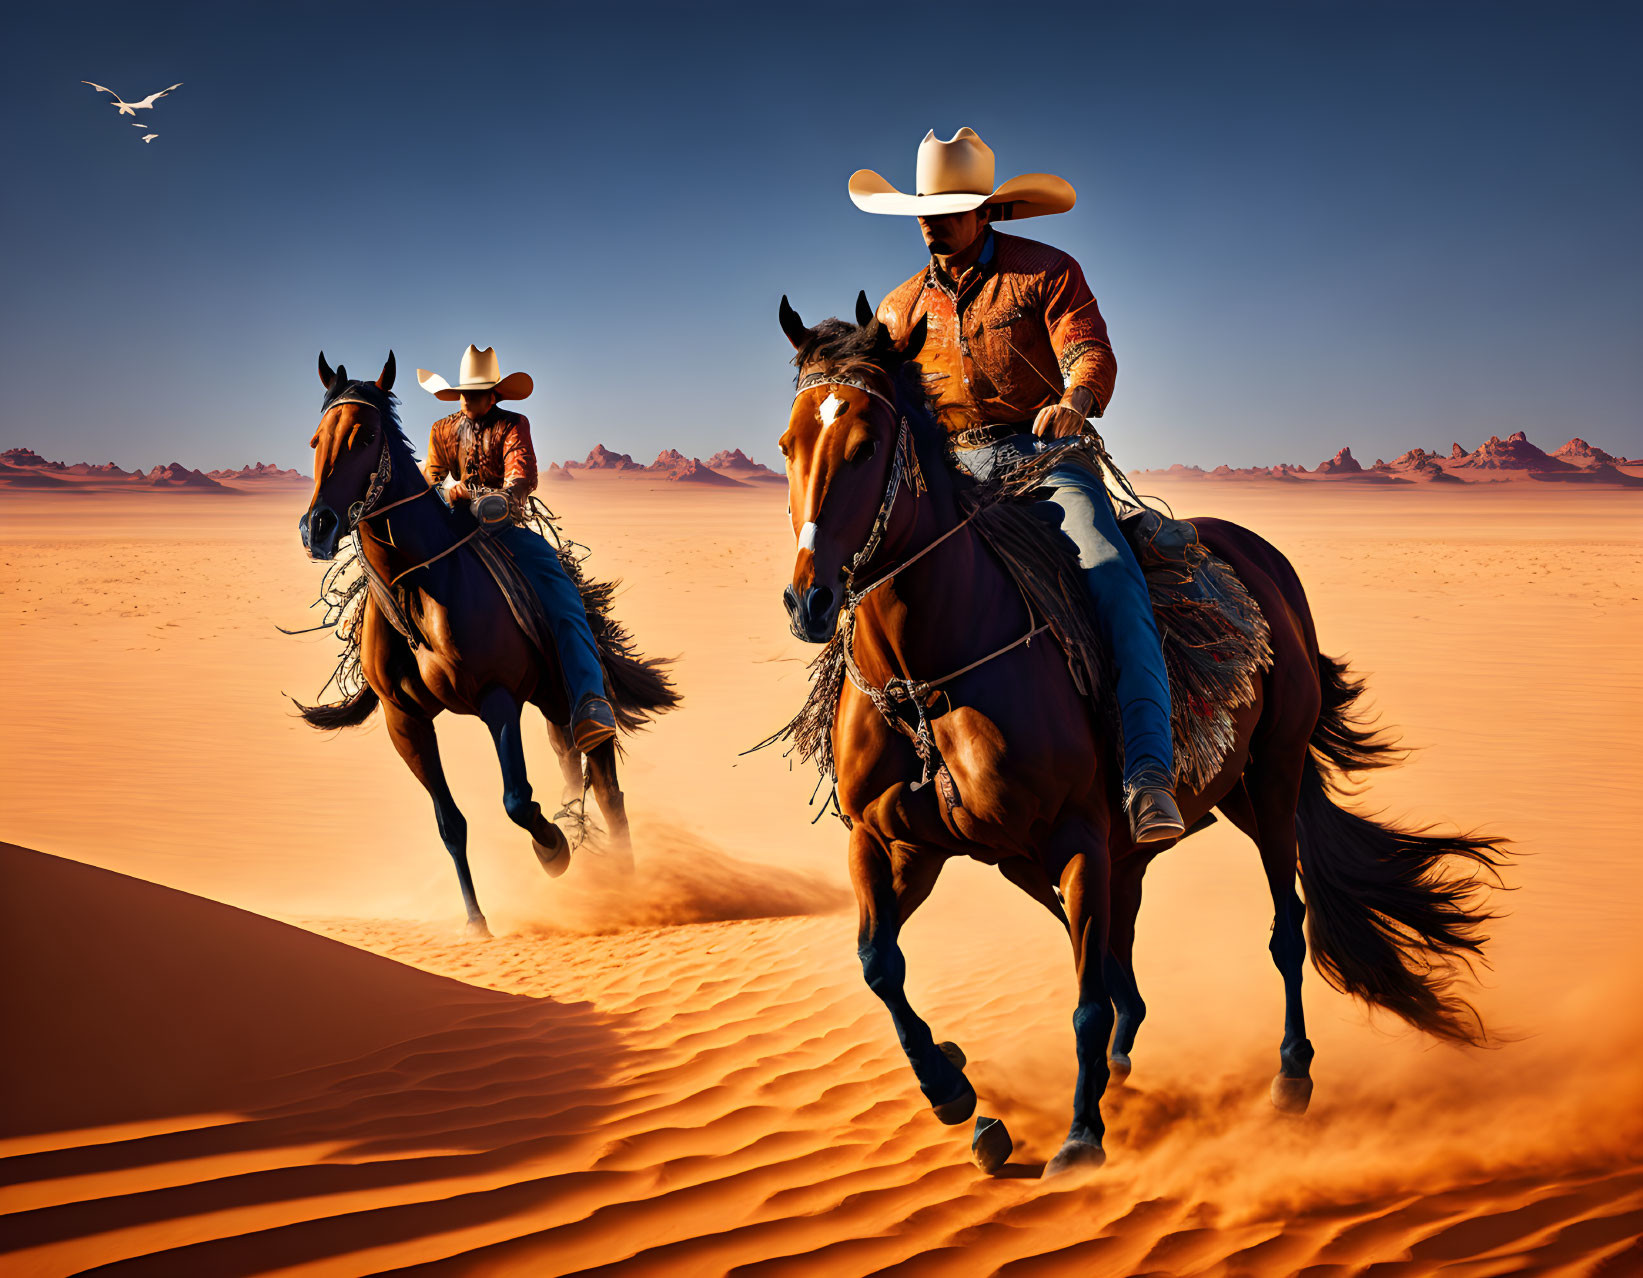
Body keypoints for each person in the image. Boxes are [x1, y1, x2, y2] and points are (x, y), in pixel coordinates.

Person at [850, 128, 1184, 841]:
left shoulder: (1045, 272)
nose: (929, 221)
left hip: (1042, 457)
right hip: (945, 473)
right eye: (922, 209)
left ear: (986, 211)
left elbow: (1087, 348)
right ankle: (862, 762)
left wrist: (1075, 400)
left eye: (947, 208)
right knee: (860, 587)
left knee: (1107, 571)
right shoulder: (896, 306)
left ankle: (1146, 772)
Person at [416, 345, 618, 752]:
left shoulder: (512, 424)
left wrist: (502, 498)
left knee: (562, 594)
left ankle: (590, 701)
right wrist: (443, 489)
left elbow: (521, 471)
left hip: (502, 531)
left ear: (495, 393)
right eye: (463, 392)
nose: (467, 399)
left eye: (475, 392)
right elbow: (431, 477)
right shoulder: (442, 430)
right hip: (451, 532)